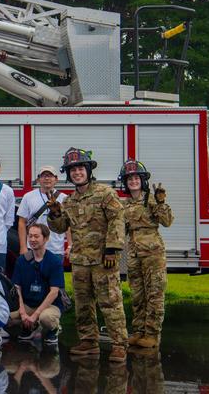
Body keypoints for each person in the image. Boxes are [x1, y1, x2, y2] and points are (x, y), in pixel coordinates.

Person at [48, 147, 128, 363]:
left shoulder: (105, 193)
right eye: (72, 170)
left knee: (110, 302)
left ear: (88, 170)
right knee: (83, 303)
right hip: (80, 261)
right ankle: (89, 341)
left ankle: (119, 344)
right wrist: (54, 214)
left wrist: (112, 248)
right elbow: (60, 227)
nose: (77, 173)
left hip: (104, 259)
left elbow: (117, 219)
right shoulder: (69, 201)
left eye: (80, 168)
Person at [119, 159, 173, 349]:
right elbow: (120, 229)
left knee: (155, 294)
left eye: (136, 178)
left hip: (153, 254)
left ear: (142, 180)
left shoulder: (151, 199)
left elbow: (167, 222)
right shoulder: (123, 205)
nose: (133, 181)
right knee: (137, 296)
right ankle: (139, 332)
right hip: (133, 254)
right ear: (125, 182)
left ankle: (152, 334)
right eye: (129, 178)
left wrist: (161, 203)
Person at [9, 224, 65, 345]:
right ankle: (30, 327)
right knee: (4, 317)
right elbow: (17, 287)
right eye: (30, 236)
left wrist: (35, 315)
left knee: (46, 318)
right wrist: (23, 313)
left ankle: (53, 329)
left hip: (49, 305)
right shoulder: (22, 260)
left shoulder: (54, 261)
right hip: (29, 304)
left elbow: (54, 292)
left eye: (36, 236)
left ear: (45, 239)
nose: (32, 240)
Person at [17, 165, 69, 258]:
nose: (47, 178)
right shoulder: (28, 197)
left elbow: (68, 225)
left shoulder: (64, 198)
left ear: (56, 179)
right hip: (33, 248)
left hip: (56, 250)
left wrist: (70, 245)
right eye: (44, 175)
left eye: (50, 175)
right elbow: (22, 222)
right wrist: (23, 247)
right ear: (38, 179)